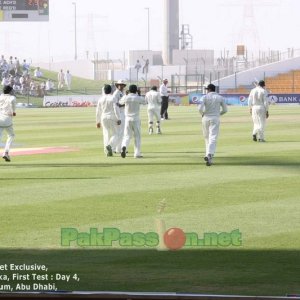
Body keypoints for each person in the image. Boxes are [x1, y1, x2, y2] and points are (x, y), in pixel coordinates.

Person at [198, 83, 227, 166]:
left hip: (205, 118)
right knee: (213, 137)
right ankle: (209, 154)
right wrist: (218, 114)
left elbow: (199, 108)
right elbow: (225, 110)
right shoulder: (220, 97)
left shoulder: (204, 97)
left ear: (209, 89)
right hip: (215, 118)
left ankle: (208, 155)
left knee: (207, 137)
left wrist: (202, 114)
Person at [119, 84, 146, 158]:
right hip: (136, 119)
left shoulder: (126, 97)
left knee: (126, 136)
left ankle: (124, 147)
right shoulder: (138, 97)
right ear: (136, 90)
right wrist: (139, 94)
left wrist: (126, 94)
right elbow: (145, 102)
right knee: (137, 136)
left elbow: (120, 102)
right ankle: (137, 153)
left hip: (128, 119)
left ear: (129, 90)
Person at [96, 84, 121, 156]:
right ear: (111, 90)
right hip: (112, 117)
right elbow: (116, 109)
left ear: (104, 91)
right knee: (116, 134)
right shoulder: (113, 98)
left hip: (103, 117)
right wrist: (118, 118)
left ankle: (107, 151)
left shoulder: (100, 99)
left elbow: (98, 111)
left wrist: (97, 121)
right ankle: (110, 145)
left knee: (106, 134)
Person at [0, 85, 17, 162]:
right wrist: (13, 112)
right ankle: (6, 152)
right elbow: (13, 105)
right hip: (7, 118)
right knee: (11, 135)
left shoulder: (1, 96)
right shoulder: (12, 98)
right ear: (10, 91)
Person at [113, 79, 127, 153]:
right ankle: (116, 148)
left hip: (122, 112)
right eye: (120, 85)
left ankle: (118, 148)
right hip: (119, 113)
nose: (121, 86)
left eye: (122, 85)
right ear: (117, 85)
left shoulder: (122, 93)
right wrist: (125, 104)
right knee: (120, 132)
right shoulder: (116, 93)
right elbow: (116, 104)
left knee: (121, 132)